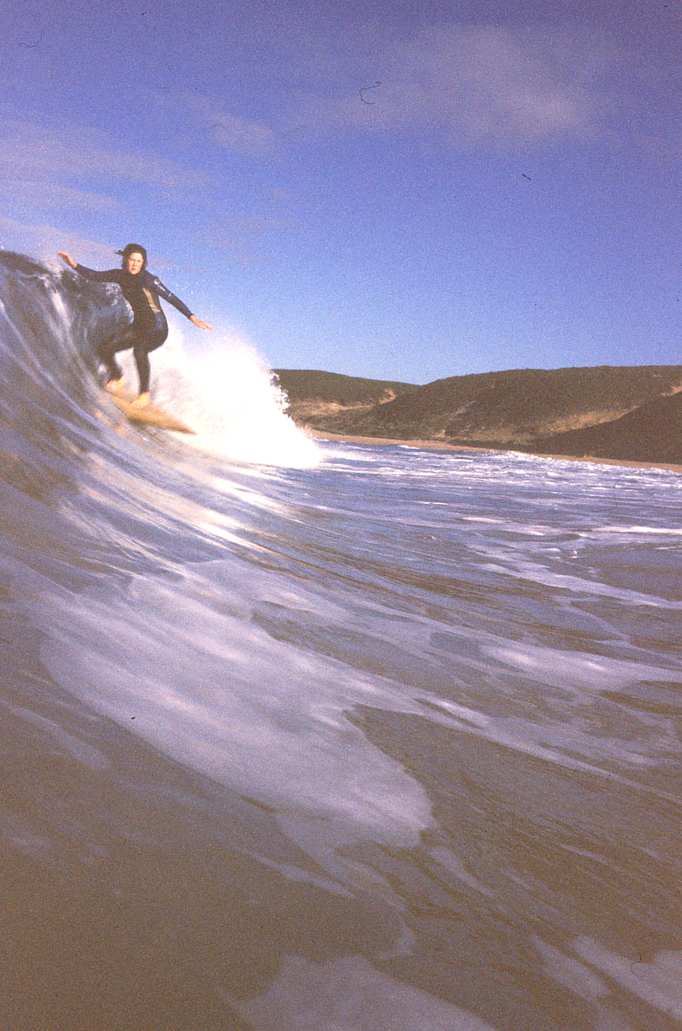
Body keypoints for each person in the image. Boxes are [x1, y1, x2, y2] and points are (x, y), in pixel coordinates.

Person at [58, 243, 212, 407]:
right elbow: (94, 276)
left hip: (157, 328)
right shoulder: (119, 275)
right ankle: (117, 376)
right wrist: (73, 264)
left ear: (143, 263)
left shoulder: (150, 280)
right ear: (125, 259)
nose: (134, 264)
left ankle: (144, 395)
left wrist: (192, 317)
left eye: (139, 261)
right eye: (132, 260)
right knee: (105, 347)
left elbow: (172, 298)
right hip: (139, 327)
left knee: (140, 350)